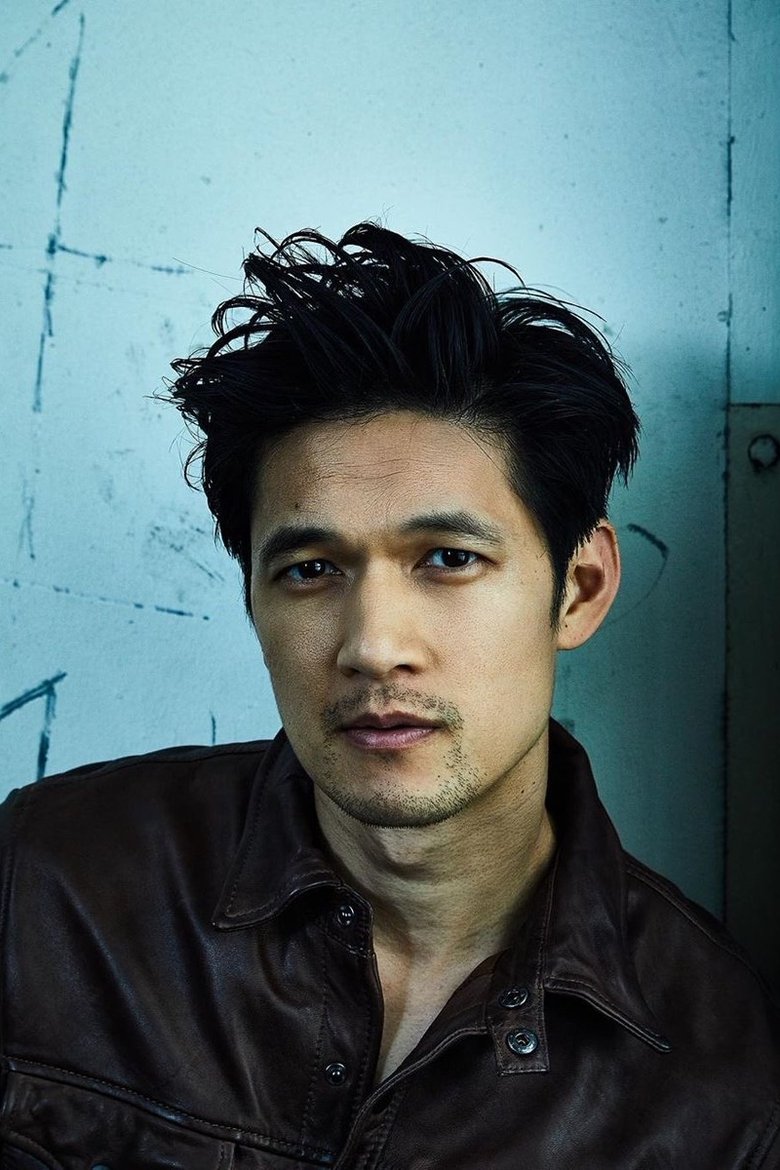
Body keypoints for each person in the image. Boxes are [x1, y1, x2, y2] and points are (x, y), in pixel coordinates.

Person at [1, 223, 777, 1168]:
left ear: (578, 590)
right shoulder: (48, 880)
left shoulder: (721, 1078)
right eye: (311, 569)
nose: (374, 647)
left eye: (448, 559)